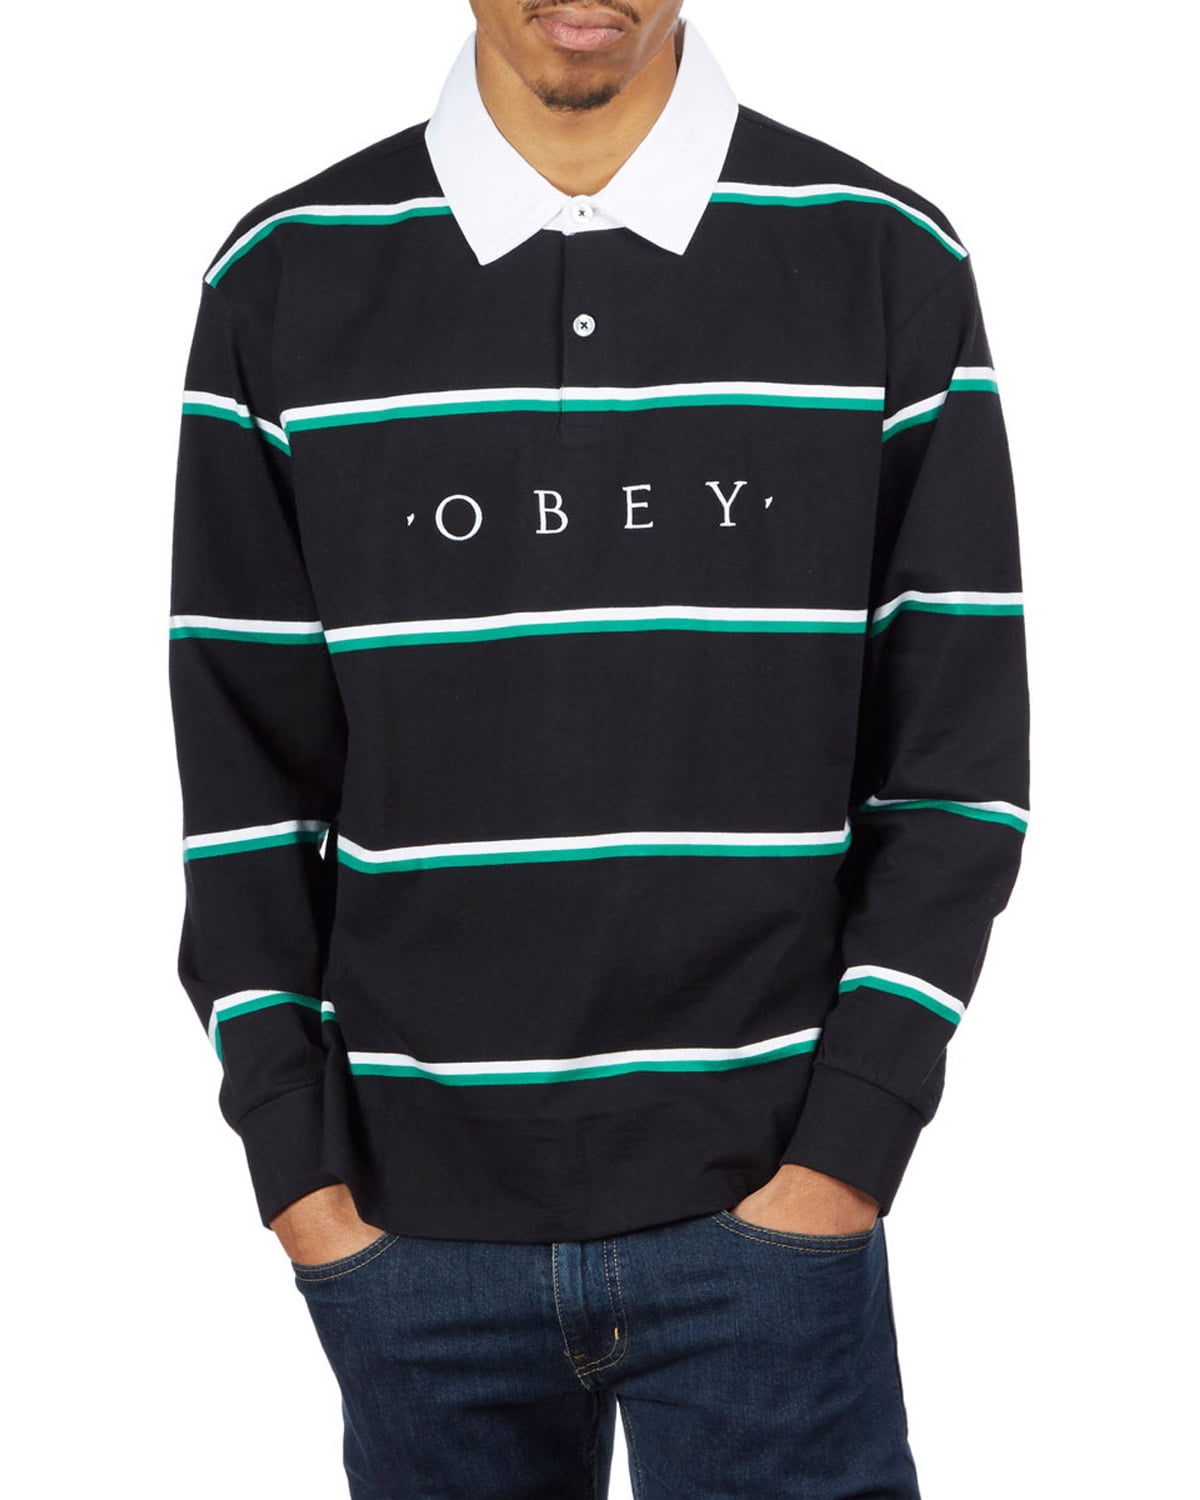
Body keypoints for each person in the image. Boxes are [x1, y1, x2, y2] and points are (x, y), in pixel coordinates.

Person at [167, 2, 1028, 1494]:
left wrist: (848, 1151)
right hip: (408, 1236)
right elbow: (242, 777)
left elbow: (956, 767)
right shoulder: (288, 272)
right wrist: (298, 1172)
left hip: (771, 1221)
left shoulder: (879, 256)